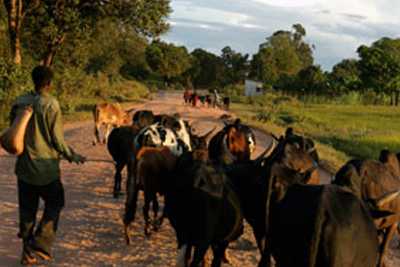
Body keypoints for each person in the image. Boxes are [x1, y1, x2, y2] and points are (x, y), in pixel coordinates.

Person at [10, 66, 86, 265]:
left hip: (24, 168)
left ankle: (27, 254)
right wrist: (72, 155)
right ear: (50, 83)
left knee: (27, 211)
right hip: (47, 170)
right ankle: (41, 242)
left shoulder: (20, 101)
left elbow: (13, 132)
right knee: (55, 203)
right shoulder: (51, 104)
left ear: (33, 80)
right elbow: (57, 140)